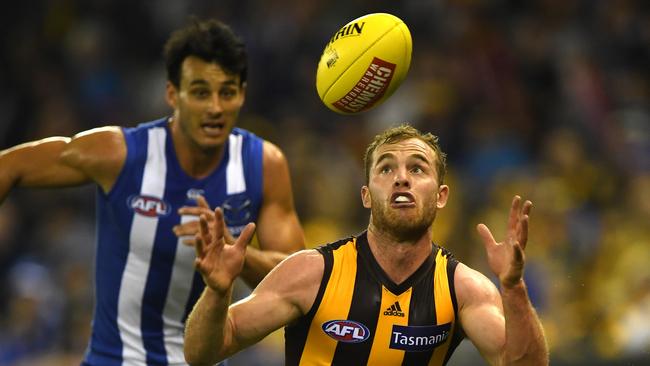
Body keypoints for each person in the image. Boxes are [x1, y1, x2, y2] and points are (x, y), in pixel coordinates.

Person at [0, 18, 305, 365]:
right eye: (201, 92)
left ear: (243, 94)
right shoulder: (120, 153)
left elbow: (297, 281)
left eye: (228, 92)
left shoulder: (264, 164)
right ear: (173, 93)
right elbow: (10, 165)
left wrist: (238, 255)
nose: (216, 108)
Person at [184, 124, 549, 365]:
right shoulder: (312, 273)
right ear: (366, 195)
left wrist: (514, 288)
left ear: (440, 196)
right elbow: (202, 353)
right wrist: (217, 292)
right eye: (386, 169)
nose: (402, 178)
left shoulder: (462, 289)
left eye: (418, 168)